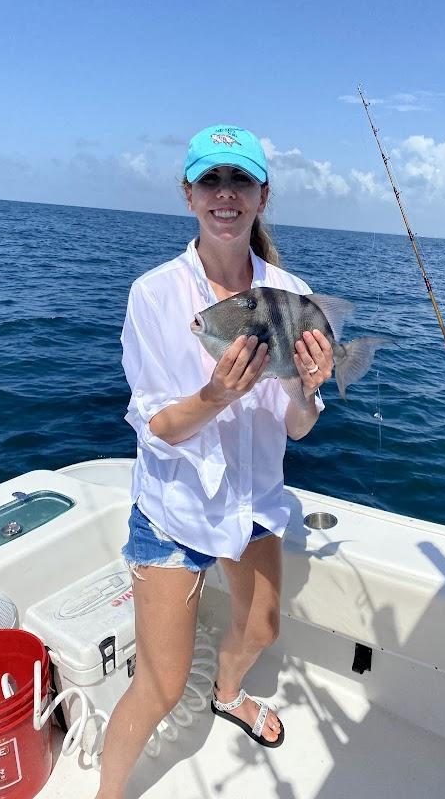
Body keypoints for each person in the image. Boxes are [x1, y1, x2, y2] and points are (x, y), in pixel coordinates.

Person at [95, 125, 333, 799]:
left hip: (252, 501)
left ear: (263, 196)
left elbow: (300, 427)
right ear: (189, 194)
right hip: (173, 508)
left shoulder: (291, 291)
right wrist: (215, 394)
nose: (224, 194)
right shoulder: (154, 295)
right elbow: (158, 427)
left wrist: (307, 387)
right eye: (210, 180)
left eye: (240, 181)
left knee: (263, 625)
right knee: (163, 685)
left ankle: (228, 695)